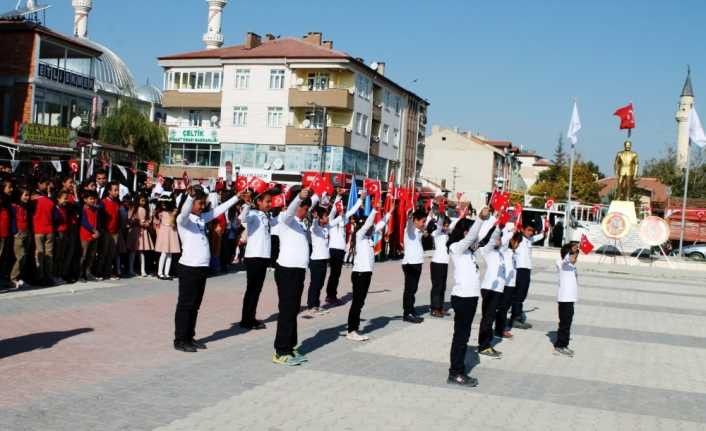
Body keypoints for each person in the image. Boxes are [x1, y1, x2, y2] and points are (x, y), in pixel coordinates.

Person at [173, 186, 239, 352]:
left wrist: (237, 198)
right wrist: (189, 197)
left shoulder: (201, 219)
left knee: (195, 305)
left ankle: (190, 336)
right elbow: (185, 211)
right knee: (185, 305)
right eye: (200, 203)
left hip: (201, 268)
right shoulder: (184, 219)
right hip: (189, 268)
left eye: (204, 203)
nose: (203, 206)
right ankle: (180, 339)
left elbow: (218, 211)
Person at [446, 207, 494, 387]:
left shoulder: (469, 252)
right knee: (461, 336)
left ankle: (458, 369)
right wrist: (480, 218)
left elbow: (482, 236)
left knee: (464, 336)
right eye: (470, 232)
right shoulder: (456, 248)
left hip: (471, 298)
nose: (474, 238)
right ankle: (455, 372)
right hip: (462, 298)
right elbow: (473, 235)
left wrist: (497, 221)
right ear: (464, 232)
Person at [272, 187, 312, 366]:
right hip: (287, 271)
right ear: (297, 206)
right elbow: (289, 211)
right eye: (305, 208)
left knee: (293, 310)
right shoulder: (285, 219)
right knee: (287, 310)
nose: (307, 212)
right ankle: (281, 351)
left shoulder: (300, 223)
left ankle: (291, 345)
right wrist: (298, 197)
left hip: (298, 271)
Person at [346, 202, 393, 341]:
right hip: (360, 274)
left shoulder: (368, 237)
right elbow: (368, 225)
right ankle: (351, 330)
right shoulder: (360, 236)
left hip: (366, 274)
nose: (372, 228)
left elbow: (380, 225)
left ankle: (354, 328)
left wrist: (389, 212)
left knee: (360, 302)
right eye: (369, 226)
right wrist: (375, 210)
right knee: (357, 302)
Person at [238, 188, 275, 330]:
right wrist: (247, 204)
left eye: (270, 201)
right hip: (254, 257)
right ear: (258, 201)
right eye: (267, 201)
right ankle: (246, 320)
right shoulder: (253, 214)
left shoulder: (266, 216)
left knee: (257, 290)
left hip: (263, 256)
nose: (269, 204)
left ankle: (251, 317)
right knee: (252, 289)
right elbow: (242, 219)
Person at [324, 186, 363, 305]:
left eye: (343, 208)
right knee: (334, 275)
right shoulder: (331, 221)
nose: (343, 210)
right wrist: (339, 196)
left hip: (341, 251)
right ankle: (330, 296)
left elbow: (352, 210)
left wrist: (361, 199)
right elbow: (332, 212)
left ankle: (332, 295)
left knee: (337, 274)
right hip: (333, 250)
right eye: (340, 208)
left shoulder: (343, 219)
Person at [477, 225, 508, 358]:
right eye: (496, 239)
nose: (498, 241)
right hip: (489, 289)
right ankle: (484, 346)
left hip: (498, 290)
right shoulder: (487, 250)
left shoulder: (500, 252)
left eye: (500, 239)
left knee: (491, 318)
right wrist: (498, 226)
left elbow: (508, 237)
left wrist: (508, 225)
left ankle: (487, 344)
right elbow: (491, 240)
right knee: (487, 318)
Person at [510, 224, 546, 329]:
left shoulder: (528, 240)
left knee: (522, 295)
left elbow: (539, 236)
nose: (530, 232)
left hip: (526, 270)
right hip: (519, 270)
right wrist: (514, 232)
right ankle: (515, 318)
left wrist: (544, 230)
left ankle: (518, 315)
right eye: (528, 230)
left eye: (532, 231)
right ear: (523, 229)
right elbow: (511, 241)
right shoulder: (519, 237)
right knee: (518, 295)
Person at [306, 203, 337, 314]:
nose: (327, 217)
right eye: (325, 216)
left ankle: (316, 304)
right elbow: (314, 226)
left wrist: (337, 201)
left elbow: (333, 216)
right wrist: (315, 219)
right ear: (319, 218)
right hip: (316, 261)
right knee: (315, 283)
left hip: (324, 261)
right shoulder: (315, 229)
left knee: (320, 284)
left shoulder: (326, 228)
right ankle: (311, 306)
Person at [494, 227, 523, 340]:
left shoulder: (512, 253)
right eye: (517, 242)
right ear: (512, 241)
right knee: (502, 308)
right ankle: (499, 330)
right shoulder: (504, 250)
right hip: (505, 285)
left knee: (505, 308)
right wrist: (512, 232)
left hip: (511, 285)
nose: (518, 245)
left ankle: (501, 328)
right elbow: (504, 240)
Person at [401, 208, 428, 323]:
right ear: (415, 220)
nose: (424, 223)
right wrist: (410, 215)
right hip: (410, 264)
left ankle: (411, 310)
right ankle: (407, 313)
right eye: (422, 221)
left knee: (413, 289)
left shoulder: (418, 231)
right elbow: (408, 222)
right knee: (410, 289)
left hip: (417, 263)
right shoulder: (410, 229)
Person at [554, 243, 579, 357]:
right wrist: (571, 252)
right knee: (564, 323)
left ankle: (564, 344)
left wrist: (574, 253)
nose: (575, 258)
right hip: (564, 298)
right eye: (574, 256)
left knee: (568, 322)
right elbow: (565, 260)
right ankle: (559, 345)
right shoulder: (561, 262)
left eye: (576, 256)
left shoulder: (572, 266)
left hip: (570, 298)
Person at [32, 176, 56, 286]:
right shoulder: (50, 201)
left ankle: (40, 277)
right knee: (48, 255)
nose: (48, 187)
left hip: (38, 230)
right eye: (46, 184)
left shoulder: (33, 200)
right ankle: (48, 276)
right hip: (49, 230)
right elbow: (55, 216)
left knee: (40, 254)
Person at [429, 214, 455, 317]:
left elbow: (453, 225)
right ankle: (434, 308)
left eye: (448, 225)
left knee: (443, 287)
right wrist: (441, 213)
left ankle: (440, 307)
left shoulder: (447, 234)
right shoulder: (437, 233)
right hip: (437, 263)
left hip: (444, 263)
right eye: (445, 225)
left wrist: (462, 215)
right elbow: (439, 225)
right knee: (437, 287)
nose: (447, 227)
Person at [127, 193, 154, 277]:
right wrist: (137, 221)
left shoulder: (146, 210)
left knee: (141, 252)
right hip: (135, 231)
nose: (144, 202)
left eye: (145, 200)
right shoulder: (134, 209)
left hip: (143, 231)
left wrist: (147, 223)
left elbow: (149, 220)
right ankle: (131, 269)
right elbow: (130, 219)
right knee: (133, 251)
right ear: (138, 200)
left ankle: (142, 270)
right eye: (142, 200)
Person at [10, 186, 31, 289]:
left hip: (26, 232)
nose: (28, 197)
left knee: (25, 257)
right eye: (25, 195)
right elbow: (13, 219)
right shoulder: (14, 206)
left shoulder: (25, 206)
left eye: (28, 195)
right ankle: (13, 278)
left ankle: (19, 278)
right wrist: (15, 232)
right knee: (20, 256)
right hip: (18, 234)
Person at [154, 196, 180, 280]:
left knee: (170, 253)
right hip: (164, 231)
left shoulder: (173, 212)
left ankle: (166, 273)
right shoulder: (160, 212)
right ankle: (159, 273)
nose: (163, 205)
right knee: (164, 253)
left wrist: (174, 214)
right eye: (162, 203)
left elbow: (174, 220)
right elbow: (156, 222)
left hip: (171, 231)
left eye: (165, 203)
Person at [99, 182, 121, 280]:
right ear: (109, 191)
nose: (117, 192)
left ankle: (108, 272)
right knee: (103, 253)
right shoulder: (103, 202)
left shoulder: (116, 203)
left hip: (115, 231)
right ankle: (99, 272)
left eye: (117, 190)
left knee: (111, 254)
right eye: (115, 190)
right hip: (106, 231)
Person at [79, 190, 101, 282]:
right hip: (85, 235)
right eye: (90, 199)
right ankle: (80, 275)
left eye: (94, 199)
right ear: (85, 200)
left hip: (94, 236)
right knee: (83, 256)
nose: (93, 201)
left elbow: (101, 206)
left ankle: (88, 273)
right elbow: (84, 222)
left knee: (91, 256)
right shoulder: (84, 209)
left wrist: (97, 232)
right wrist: (94, 231)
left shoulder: (95, 209)